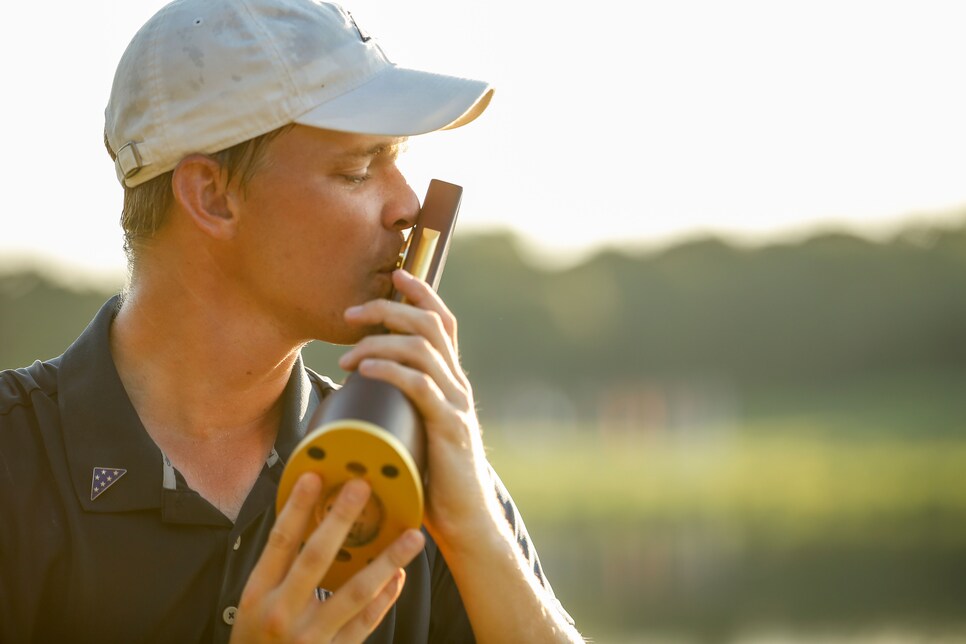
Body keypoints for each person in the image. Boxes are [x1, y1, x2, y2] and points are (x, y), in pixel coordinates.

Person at [0, 0, 582, 642]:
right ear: (212, 196)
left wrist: (477, 530)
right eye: (357, 170)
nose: (409, 205)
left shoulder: (424, 467)